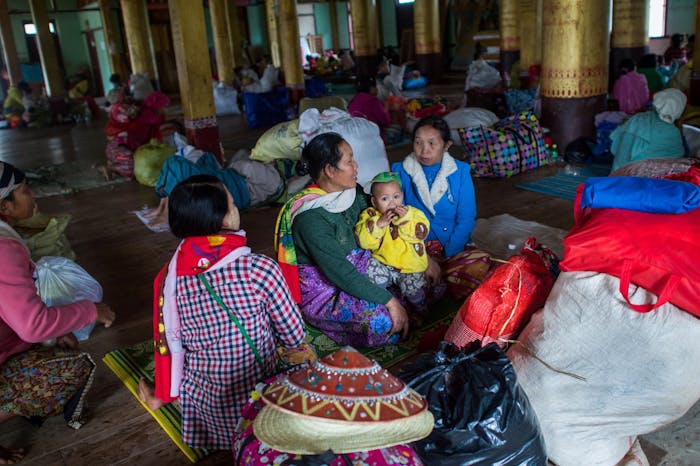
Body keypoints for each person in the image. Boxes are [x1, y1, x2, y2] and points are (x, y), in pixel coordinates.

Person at [138, 174, 305, 450]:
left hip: (209, 412)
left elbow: (168, 340)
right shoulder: (258, 269)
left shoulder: (170, 277)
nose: (237, 208)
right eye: (232, 204)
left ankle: (172, 400)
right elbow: (293, 335)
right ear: (226, 220)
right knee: (304, 353)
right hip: (259, 409)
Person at [0, 161, 115, 464]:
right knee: (72, 369)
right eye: (24, 191)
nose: (33, 195)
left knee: (53, 342)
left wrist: (55, 329)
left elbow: (16, 314)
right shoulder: (3, 249)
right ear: (5, 206)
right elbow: (31, 325)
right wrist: (90, 311)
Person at [275, 133, 410, 348]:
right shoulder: (310, 217)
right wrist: (389, 301)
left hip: (360, 270)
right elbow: (340, 271)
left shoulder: (353, 193)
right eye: (349, 161)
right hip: (327, 287)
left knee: (420, 283)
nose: (356, 166)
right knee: (382, 320)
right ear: (329, 170)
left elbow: (386, 220)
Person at [391, 116, 477, 292]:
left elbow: (467, 218)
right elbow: (397, 219)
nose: (424, 151)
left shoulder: (460, 172)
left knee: (478, 270)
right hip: (416, 246)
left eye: (432, 143)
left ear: (446, 146)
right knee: (409, 281)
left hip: (452, 243)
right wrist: (424, 258)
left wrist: (449, 252)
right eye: (418, 143)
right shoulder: (401, 171)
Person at [355, 172, 430, 321]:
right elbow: (363, 241)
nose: (392, 203)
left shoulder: (412, 213)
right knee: (370, 271)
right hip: (384, 264)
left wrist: (405, 220)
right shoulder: (370, 215)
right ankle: (384, 304)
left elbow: (422, 233)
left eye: (396, 197)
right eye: (385, 199)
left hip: (409, 266)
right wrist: (379, 224)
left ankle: (421, 310)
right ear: (374, 202)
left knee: (414, 292)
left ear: (402, 196)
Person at [610, 88, 688, 172]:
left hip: (623, 175)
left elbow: (621, 152)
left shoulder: (639, 119)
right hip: (655, 180)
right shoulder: (673, 133)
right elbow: (678, 159)